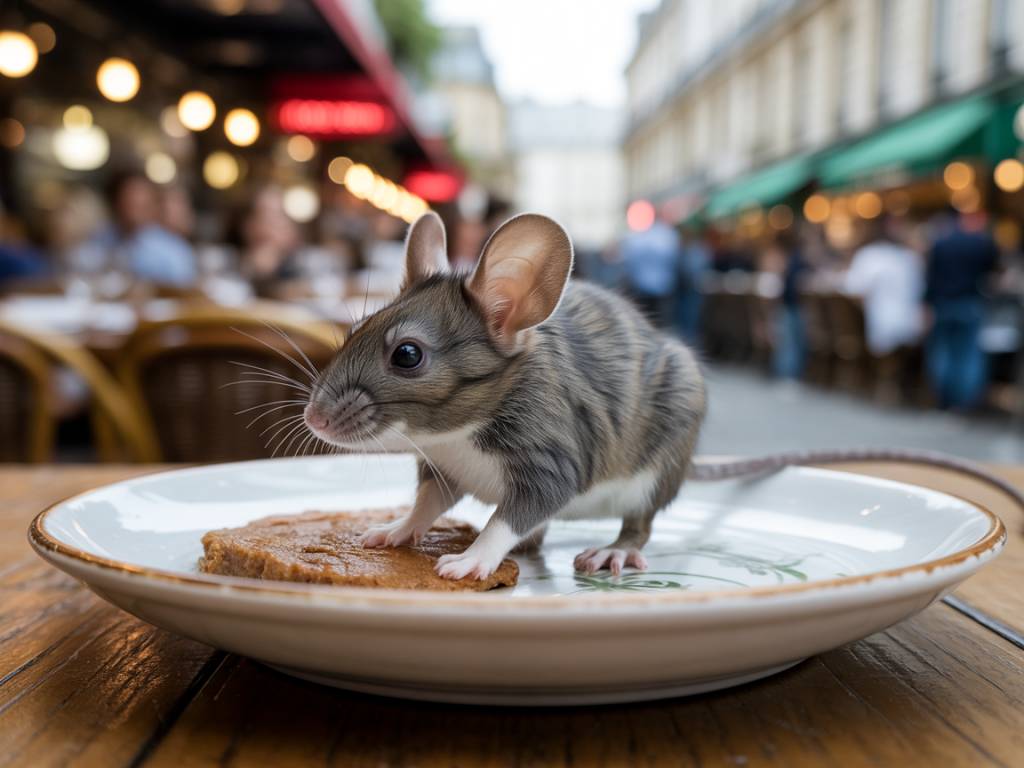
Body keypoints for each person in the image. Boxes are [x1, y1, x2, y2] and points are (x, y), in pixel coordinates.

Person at [923, 210, 999, 409]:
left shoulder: (941, 243)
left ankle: (942, 400)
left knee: (943, 352)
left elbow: (930, 278)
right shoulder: (983, 244)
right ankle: (963, 403)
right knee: (967, 355)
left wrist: (927, 304)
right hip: (970, 303)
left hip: (942, 304)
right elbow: (992, 274)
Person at [93, 172, 195, 286]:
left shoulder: (172, 250)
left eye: (140, 203)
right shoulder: (101, 238)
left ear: (152, 205)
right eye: (128, 202)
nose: (133, 210)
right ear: (116, 203)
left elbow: (185, 288)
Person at [844, 216, 924, 357]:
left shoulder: (870, 255)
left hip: (887, 327)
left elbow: (853, 290)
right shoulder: (909, 256)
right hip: (908, 326)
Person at [621, 210, 680, 327]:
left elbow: (629, 259)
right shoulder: (668, 234)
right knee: (660, 320)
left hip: (641, 285)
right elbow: (673, 258)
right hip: (662, 285)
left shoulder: (637, 235)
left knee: (644, 319)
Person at [773, 230, 809, 379]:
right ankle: (788, 374)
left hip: (788, 304)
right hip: (794, 305)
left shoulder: (792, 260)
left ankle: (786, 373)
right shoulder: (798, 260)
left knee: (788, 341)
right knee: (791, 342)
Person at [676, 226, 710, 344]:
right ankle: (687, 338)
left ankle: (689, 338)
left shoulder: (694, 250)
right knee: (687, 315)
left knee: (690, 315)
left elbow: (692, 270)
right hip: (687, 288)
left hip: (692, 288)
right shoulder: (693, 249)